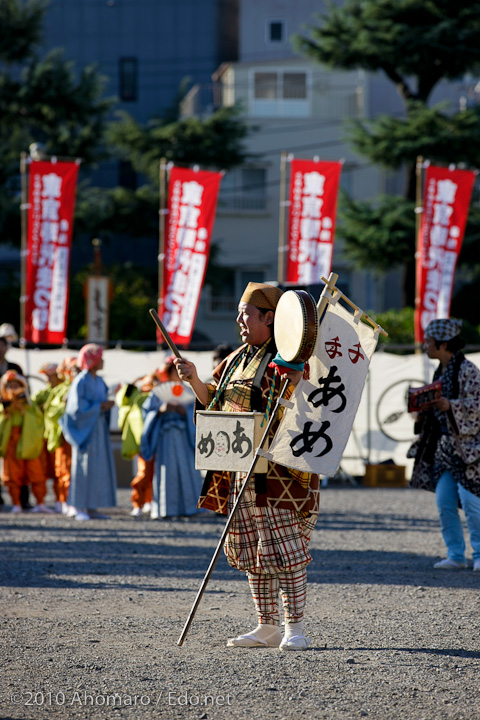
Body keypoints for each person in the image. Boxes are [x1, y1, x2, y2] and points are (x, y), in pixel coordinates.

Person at [175, 282, 319, 650]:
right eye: (239, 313)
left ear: (270, 318)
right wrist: (193, 379)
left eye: (247, 314)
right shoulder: (236, 357)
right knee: (253, 548)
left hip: (280, 467)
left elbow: (308, 408)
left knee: (286, 548)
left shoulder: (293, 356)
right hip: (239, 466)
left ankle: (294, 627)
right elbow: (215, 401)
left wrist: (297, 381)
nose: (240, 320)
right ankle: (266, 626)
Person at [409, 318, 480, 572]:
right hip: (445, 448)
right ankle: (456, 554)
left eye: (429, 341)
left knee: (471, 502)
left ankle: (479, 554)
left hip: (469, 450)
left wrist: (451, 406)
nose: (425, 345)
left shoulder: (468, 370)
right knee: (445, 502)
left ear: (443, 344)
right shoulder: (441, 370)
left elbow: (478, 406)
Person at [140, 356, 203, 519]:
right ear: (167, 372)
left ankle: (190, 507)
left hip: (184, 435)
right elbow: (147, 412)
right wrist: (160, 410)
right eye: (173, 370)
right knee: (166, 471)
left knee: (187, 469)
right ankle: (166, 508)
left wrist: (186, 412)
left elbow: (198, 416)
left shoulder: (190, 392)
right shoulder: (157, 392)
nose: (177, 373)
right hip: (165, 437)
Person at [60, 344, 117, 521]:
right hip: (84, 430)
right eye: (100, 357)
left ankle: (92, 506)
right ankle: (78, 506)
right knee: (82, 467)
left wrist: (106, 405)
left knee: (97, 467)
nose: (103, 361)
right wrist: (100, 406)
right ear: (92, 360)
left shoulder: (99, 381)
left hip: (97, 428)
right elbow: (75, 409)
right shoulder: (81, 380)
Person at [0, 370, 50, 513]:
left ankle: (40, 502)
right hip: (11, 445)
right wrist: (6, 412)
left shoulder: (30, 405)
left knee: (36, 473)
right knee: (12, 475)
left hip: (28, 443)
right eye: (10, 386)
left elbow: (39, 421)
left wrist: (25, 410)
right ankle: (16, 503)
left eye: (16, 385)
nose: (13, 389)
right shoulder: (5, 407)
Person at [116, 372, 157, 517]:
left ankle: (149, 501)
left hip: (156, 441)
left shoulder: (156, 397)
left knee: (154, 474)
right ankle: (137, 502)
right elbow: (122, 399)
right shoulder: (137, 397)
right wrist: (133, 382)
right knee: (144, 473)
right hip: (143, 443)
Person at [33, 363, 63, 512]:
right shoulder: (43, 393)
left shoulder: (62, 391)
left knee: (59, 470)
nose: (47, 378)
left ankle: (61, 500)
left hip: (57, 436)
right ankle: (41, 501)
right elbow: (31, 405)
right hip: (42, 437)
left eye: (50, 375)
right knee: (41, 470)